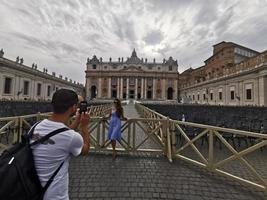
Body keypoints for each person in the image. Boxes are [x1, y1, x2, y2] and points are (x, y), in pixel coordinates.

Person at [30, 89, 90, 200]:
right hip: (55, 196)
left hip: (31, 191)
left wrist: (76, 121)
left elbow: (59, 134)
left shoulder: (35, 127)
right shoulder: (71, 137)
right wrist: (84, 127)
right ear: (73, 108)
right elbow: (85, 150)